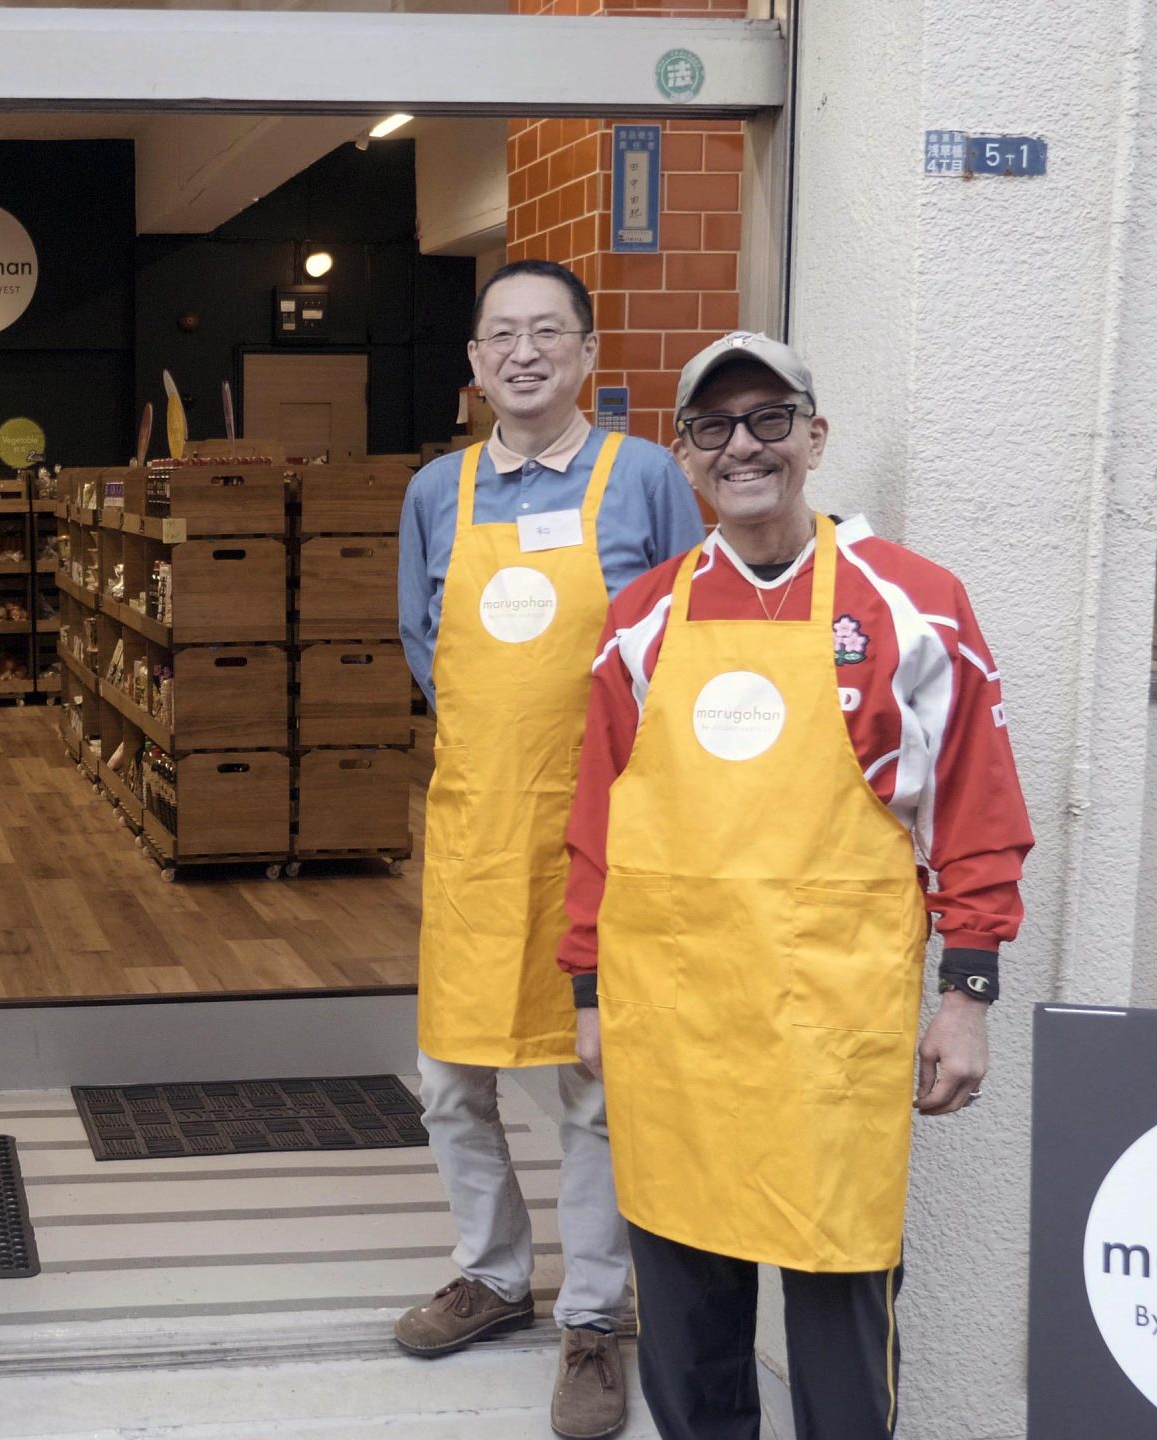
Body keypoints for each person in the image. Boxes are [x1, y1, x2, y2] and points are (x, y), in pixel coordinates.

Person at [561, 331, 1032, 1438]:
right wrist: (588, 991)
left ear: (814, 438)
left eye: (769, 419)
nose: (743, 446)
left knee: (838, 1333)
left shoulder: (916, 606)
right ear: (686, 457)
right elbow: (596, 828)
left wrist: (967, 992)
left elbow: (975, 811)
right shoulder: (642, 623)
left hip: (830, 1027)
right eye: (714, 427)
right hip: (675, 1023)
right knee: (686, 1331)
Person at [393, 258, 704, 1439]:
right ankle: (490, 1272)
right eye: (500, 336)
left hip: (605, 833)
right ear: (475, 361)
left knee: (594, 1089)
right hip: (479, 828)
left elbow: (686, 639)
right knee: (448, 1079)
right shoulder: (438, 490)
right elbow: (422, 640)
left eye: (546, 333)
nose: (521, 354)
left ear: (585, 352)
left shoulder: (648, 478)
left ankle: (592, 1316)